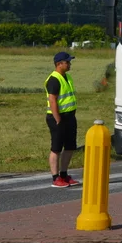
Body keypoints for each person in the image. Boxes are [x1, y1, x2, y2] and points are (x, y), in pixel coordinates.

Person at [45, 52, 80, 188]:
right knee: (56, 148)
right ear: (59, 64)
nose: (69, 64)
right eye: (67, 62)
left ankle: (64, 175)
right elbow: (52, 100)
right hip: (58, 118)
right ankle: (55, 178)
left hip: (70, 117)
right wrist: (58, 119)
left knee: (70, 147)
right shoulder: (54, 79)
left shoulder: (67, 77)